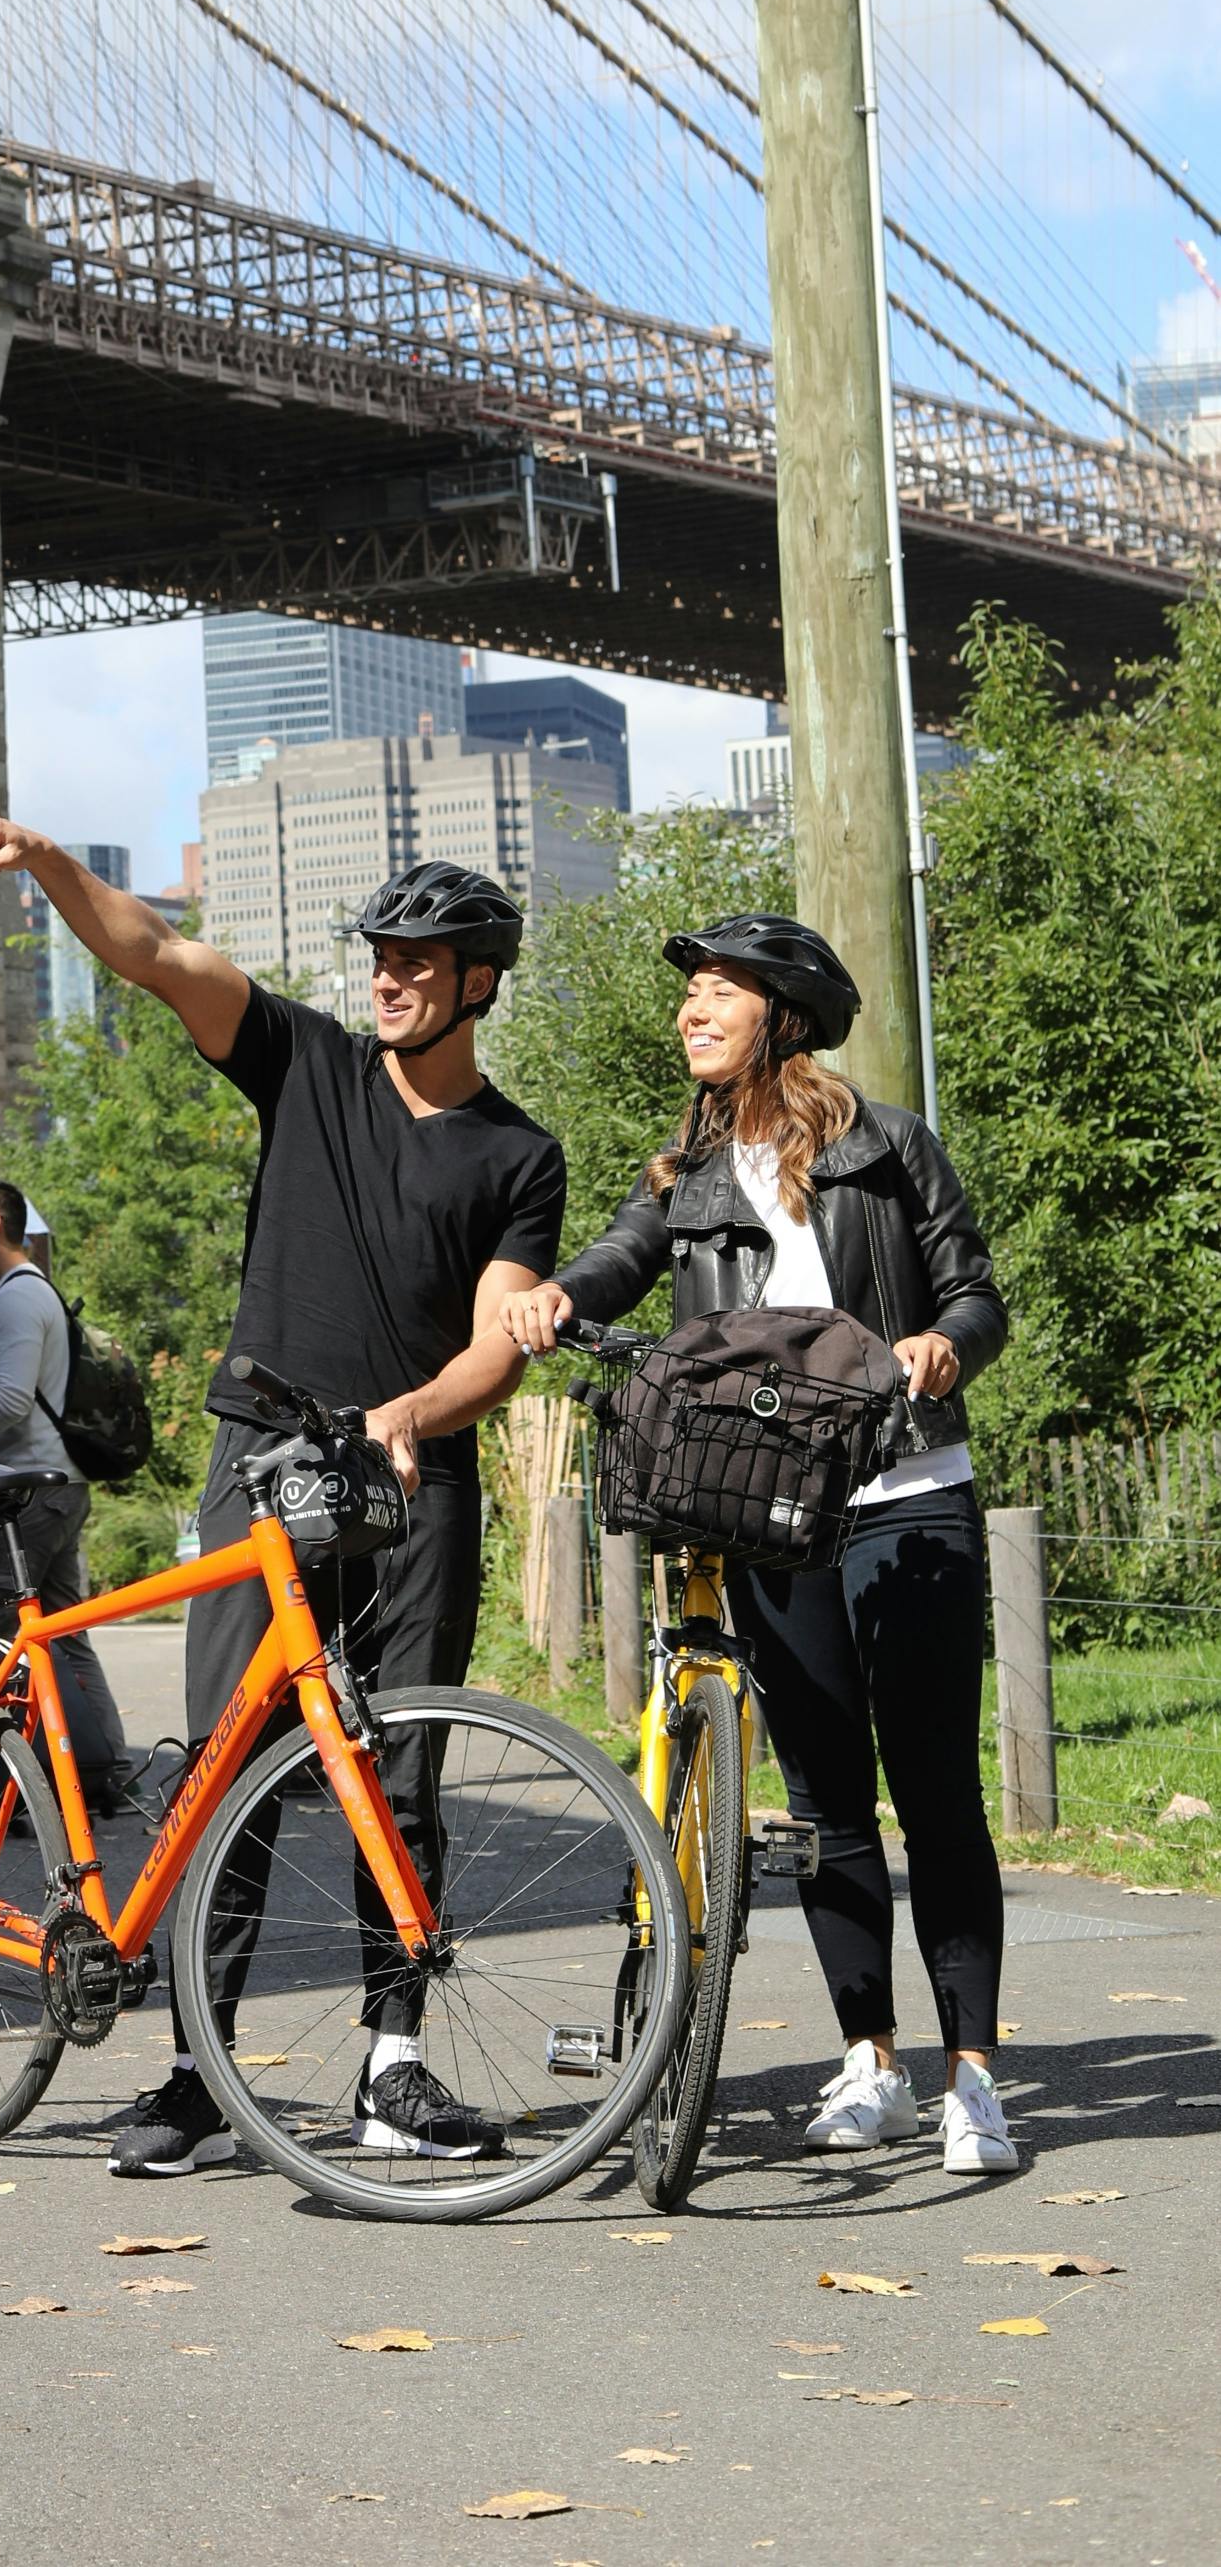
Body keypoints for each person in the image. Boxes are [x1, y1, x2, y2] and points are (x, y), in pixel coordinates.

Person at [0, 813, 563, 2178]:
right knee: (226, 1771)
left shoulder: (518, 1155)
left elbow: (496, 1342)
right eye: (380, 954)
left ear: (478, 981)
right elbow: (157, 953)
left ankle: (392, 2066)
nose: (388, 975)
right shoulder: (308, 1062)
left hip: (414, 1481)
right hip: (265, 1456)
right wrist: (45, 859)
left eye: (417, 959)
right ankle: (194, 2070)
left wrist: (410, 1413)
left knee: (400, 1774)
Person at [500, 911, 1016, 2176]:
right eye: (691, 992)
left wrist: (944, 1344)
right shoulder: (687, 1172)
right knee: (828, 1800)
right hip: (771, 1508)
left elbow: (974, 1293)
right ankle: (871, 2064)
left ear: (781, 1015)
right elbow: (622, 1255)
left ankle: (973, 2081)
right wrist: (558, 1291)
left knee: (936, 1794)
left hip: (908, 1489)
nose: (692, 1009)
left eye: (720, 990)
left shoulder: (887, 1146)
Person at [0, 1181, 133, 1815]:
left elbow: (10, 1399)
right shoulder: (34, 1291)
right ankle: (108, 1772)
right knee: (66, 1636)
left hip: (25, 1496)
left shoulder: (16, 1298)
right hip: (58, 1486)